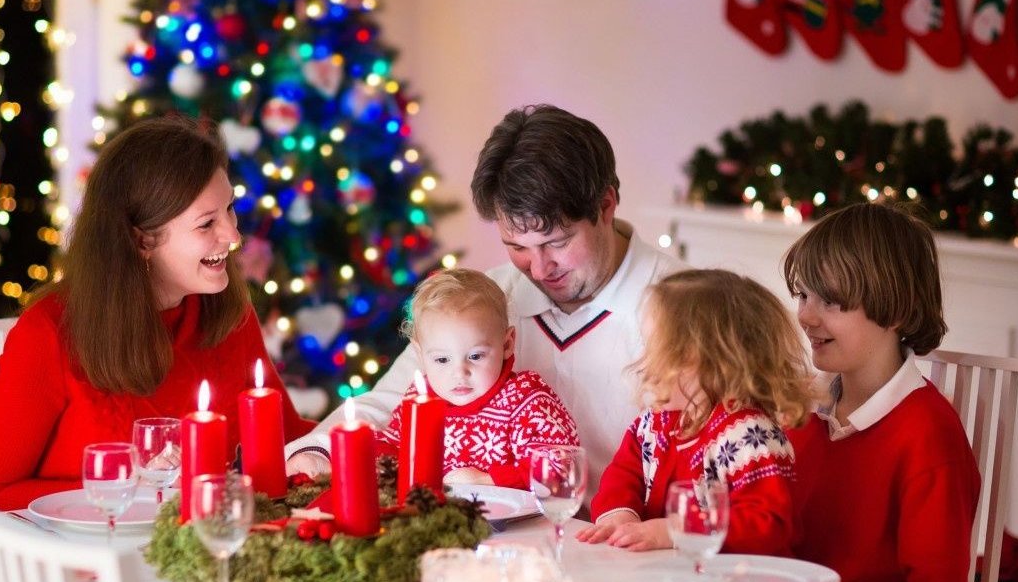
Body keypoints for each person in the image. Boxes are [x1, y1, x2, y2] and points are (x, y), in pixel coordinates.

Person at [287, 104, 684, 495]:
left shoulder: (686, 308)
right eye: (517, 246)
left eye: (557, 243)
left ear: (606, 206)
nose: (540, 269)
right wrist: (318, 451)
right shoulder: (488, 298)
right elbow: (391, 401)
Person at [0, 116, 315, 511]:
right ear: (142, 239)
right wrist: (127, 488)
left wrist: (357, 441)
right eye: (206, 223)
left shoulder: (228, 313)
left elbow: (288, 438)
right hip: (85, 562)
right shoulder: (49, 332)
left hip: (205, 557)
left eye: (229, 209)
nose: (233, 236)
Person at [784, 203, 981, 582]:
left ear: (896, 311)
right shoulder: (799, 412)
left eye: (831, 301)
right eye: (804, 295)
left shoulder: (928, 436)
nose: (805, 315)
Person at [577, 269, 809, 553]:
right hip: (668, 575)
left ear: (717, 363)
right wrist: (619, 514)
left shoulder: (749, 435)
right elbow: (623, 473)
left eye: (661, 353)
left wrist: (677, 530)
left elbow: (767, 524)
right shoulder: (657, 422)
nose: (644, 364)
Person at [375, 268, 579, 489]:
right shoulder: (420, 398)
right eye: (442, 360)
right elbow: (391, 444)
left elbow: (560, 465)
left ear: (507, 344)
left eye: (475, 356)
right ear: (420, 353)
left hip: (517, 521)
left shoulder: (525, 398)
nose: (459, 372)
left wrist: (488, 480)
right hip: (435, 518)